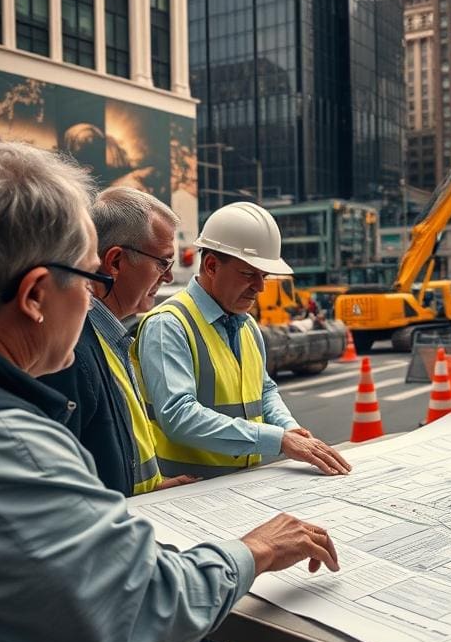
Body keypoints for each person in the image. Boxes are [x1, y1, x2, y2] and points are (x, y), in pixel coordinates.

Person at [0, 140, 340, 642]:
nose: (94, 295)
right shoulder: (5, 438)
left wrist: (77, 612)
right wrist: (255, 550)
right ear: (35, 295)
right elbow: (137, 600)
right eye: (88, 274)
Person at [39, 188, 218, 642]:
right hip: (97, 596)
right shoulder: (70, 351)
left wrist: (149, 491)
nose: (168, 279)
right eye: (163, 264)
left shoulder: (115, 336)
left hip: (124, 559)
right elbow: (55, 502)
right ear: (114, 261)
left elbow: (102, 456)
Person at [135, 201, 351, 480]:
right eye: (249, 274)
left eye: (264, 276)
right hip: (187, 492)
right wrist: (279, 440)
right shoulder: (169, 325)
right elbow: (178, 415)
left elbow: (264, 390)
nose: (260, 287)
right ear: (211, 265)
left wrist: (289, 428)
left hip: (244, 484)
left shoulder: (247, 324)